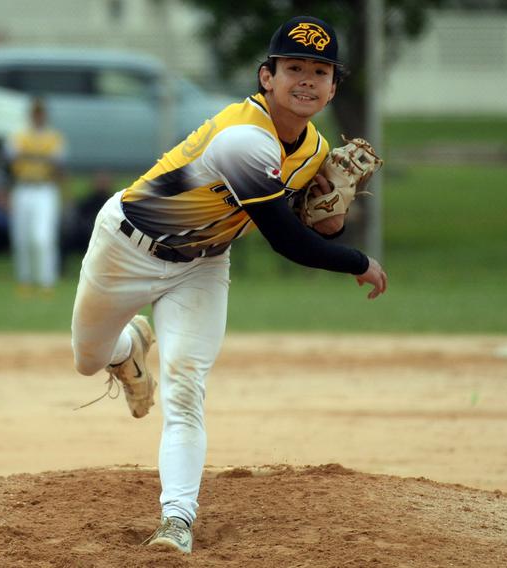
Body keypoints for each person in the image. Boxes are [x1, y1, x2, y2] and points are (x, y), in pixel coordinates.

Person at [70, 15, 388, 555]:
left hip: (202, 265)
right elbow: (290, 242)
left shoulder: (313, 148)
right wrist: (357, 260)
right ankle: (129, 350)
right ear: (267, 77)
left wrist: (332, 208)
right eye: (293, 68)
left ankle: (176, 520)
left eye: (320, 71)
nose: (306, 80)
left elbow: (316, 221)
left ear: (334, 86)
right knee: (86, 357)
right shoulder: (244, 138)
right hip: (125, 245)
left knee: (186, 391)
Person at [5, 98, 67, 292]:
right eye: (35, 112)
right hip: (23, 188)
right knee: (21, 237)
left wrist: (30, 157)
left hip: (44, 189)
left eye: (41, 113)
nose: (38, 116)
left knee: (42, 237)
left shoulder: (53, 138)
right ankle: (25, 279)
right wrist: (40, 158)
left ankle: (46, 280)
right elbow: (11, 160)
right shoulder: (19, 136)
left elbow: (58, 164)